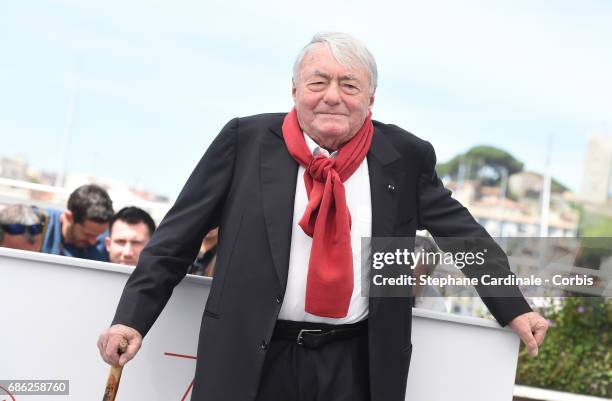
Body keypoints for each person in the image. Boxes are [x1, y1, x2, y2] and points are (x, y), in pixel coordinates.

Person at [98, 32, 549, 401]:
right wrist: (131, 318)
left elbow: (460, 233)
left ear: (370, 98)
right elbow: (177, 237)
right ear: (294, 90)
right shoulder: (246, 140)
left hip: (356, 366)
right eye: (318, 83)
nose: (332, 96)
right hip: (251, 358)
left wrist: (513, 307)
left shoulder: (404, 156)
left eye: (349, 85)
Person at [41, 184, 113, 261]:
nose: (93, 242)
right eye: (87, 235)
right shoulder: (38, 227)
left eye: (98, 235)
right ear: (69, 217)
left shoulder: (109, 243)